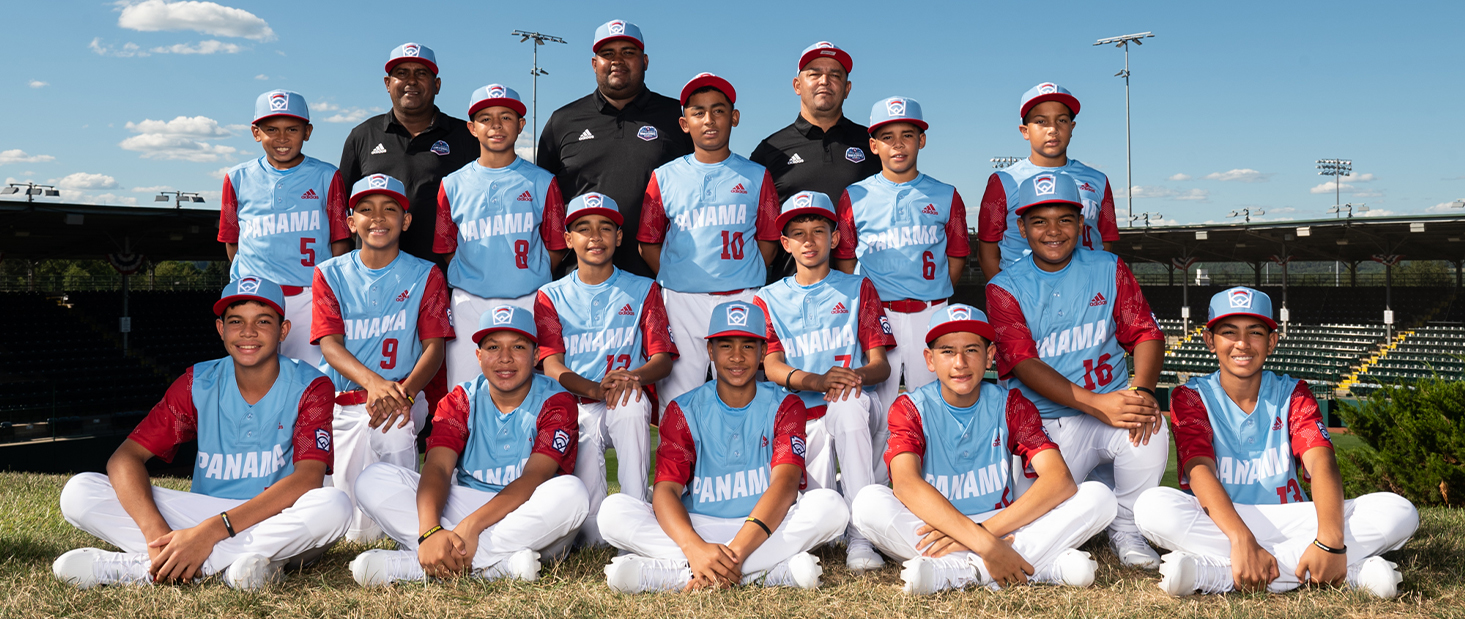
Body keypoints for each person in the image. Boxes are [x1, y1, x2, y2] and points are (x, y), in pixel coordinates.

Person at [54, 278, 349, 590]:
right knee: (80, 491)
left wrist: (209, 533)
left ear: (283, 330)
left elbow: (308, 479)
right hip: (203, 514)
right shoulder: (199, 382)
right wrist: (156, 536)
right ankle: (230, 565)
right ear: (221, 329)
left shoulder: (311, 385)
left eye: (263, 321)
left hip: (276, 515)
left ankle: (143, 569)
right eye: (236, 322)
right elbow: (125, 458)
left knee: (333, 505)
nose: (248, 332)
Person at [1135, 287, 1419, 598]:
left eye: (1255, 332)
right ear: (1209, 340)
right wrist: (1242, 538)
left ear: (1271, 341)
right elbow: (1199, 469)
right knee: (1152, 507)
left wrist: (1328, 539)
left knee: (1399, 511)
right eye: (1229, 332)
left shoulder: (1293, 392)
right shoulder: (1190, 395)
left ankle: (1213, 573)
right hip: (1224, 521)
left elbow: (1321, 461)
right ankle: (1347, 573)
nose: (1242, 343)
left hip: (1294, 518)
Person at [851, 304, 1118, 594]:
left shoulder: (1011, 404)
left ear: (990, 356)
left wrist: (985, 536)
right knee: (867, 503)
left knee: (1100, 497)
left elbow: (1060, 480)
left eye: (972, 350)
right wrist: (986, 545)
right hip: (939, 528)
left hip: (1003, 527)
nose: (960, 363)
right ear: (929, 359)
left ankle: (960, 573)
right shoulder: (910, 407)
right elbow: (905, 485)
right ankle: (1040, 567)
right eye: (947, 351)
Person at [597, 301, 848, 593]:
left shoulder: (786, 405)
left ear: (764, 352)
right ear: (710, 351)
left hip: (764, 527)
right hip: (698, 525)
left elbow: (786, 484)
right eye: (726, 346)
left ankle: (672, 576)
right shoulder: (684, 409)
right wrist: (694, 547)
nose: (737, 357)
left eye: (748, 346)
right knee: (613, 512)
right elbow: (666, 490)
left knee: (831, 506)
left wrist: (738, 552)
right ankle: (775, 572)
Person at [984, 172, 1168, 569]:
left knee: (1149, 424)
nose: (1053, 231)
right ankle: (1068, 534)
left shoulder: (1108, 267)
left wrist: (1144, 392)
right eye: (1039, 221)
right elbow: (1024, 364)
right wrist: (1097, 403)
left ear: (1081, 222)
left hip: (1106, 411)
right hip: (1043, 425)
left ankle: (1127, 529)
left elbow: (1147, 333)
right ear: (1021, 227)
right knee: (1035, 516)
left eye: (1064, 219)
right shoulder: (1004, 286)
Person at [349, 305, 589, 586]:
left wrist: (471, 527)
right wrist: (429, 531)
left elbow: (534, 478)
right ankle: (498, 566)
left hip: (527, 515)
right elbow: (437, 467)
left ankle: (412, 567)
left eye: (519, 347)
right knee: (372, 479)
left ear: (536, 355)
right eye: (493, 347)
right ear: (478, 355)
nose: (505, 359)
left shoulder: (556, 401)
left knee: (572, 494)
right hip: (468, 505)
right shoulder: (462, 398)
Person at [752, 190, 894, 571]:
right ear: (785, 243)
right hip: (802, 415)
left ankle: (863, 537)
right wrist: (818, 381)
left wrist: (851, 377)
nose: (809, 240)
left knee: (845, 403)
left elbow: (881, 365)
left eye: (818, 230)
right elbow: (771, 366)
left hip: (857, 406)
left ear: (834, 238)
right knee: (821, 520)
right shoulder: (766, 298)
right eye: (798, 233)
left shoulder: (857, 287)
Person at [833, 96, 970, 482]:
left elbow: (956, 257)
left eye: (907, 135)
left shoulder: (945, 194)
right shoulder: (855, 196)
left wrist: (935, 296)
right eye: (887, 137)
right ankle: (873, 502)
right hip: (881, 319)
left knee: (937, 409)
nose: (898, 144)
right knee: (877, 413)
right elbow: (845, 264)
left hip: (933, 312)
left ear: (921, 140)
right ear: (873, 144)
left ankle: (937, 492)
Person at [311, 174, 452, 542]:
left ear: (405, 221)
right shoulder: (330, 273)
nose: (378, 218)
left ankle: (415, 534)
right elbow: (330, 344)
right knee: (352, 530)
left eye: (390, 209)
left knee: (395, 430)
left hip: (405, 395)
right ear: (350, 221)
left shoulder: (426, 273)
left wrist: (401, 395)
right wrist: (374, 384)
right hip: (345, 403)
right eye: (366, 209)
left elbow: (434, 349)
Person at [533, 192, 677, 545]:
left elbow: (662, 358)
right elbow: (552, 365)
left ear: (619, 237)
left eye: (605, 228)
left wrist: (633, 378)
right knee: (591, 528)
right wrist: (595, 389)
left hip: (622, 398)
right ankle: (594, 533)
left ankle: (636, 513)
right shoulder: (550, 294)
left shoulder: (643, 288)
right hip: (578, 405)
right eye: (583, 229)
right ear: (568, 240)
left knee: (631, 405)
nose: (595, 237)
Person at [638, 73, 780, 408]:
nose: (709, 120)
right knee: (679, 401)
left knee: (745, 398)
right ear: (685, 123)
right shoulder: (664, 176)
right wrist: (679, 275)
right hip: (682, 300)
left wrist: (741, 274)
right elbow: (648, 242)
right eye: (699, 112)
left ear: (734, 118)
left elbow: (769, 240)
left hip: (742, 295)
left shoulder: (757, 174)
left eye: (718, 111)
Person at [537, 20, 694, 278]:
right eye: (607, 54)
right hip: (577, 282)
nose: (617, 60)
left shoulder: (676, 118)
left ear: (645, 61)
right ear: (594, 63)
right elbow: (545, 204)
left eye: (628, 52)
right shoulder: (562, 121)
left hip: (659, 281)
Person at [435, 83, 567, 388]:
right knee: (464, 390)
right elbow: (446, 247)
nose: (496, 125)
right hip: (470, 301)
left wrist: (526, 276)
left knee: (530, 390)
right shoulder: (452, 184)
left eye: (506, 117)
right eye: (485, 118)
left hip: (528, 298)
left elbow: (556, 246)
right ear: (471, 128)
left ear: (521, 125)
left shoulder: (542, 181)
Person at [218, 90, 351, 367]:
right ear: (256, 133)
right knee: (256, 377)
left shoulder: (328, 175)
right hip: (255, 299)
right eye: (271, 129)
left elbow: (340, 241)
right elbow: (233, 243)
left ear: (308, 131)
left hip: (309, 297)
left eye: (292, 129)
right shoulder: (237, 177)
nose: (282, 138)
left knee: (314, 379)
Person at [750, 41, 881, 283]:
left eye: (835, 75)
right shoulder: (770, 151)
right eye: (815, 74)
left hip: (865, 295)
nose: (824, 81)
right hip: (791, 297)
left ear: (847, 87)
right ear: (797, 85)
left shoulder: (873, 145)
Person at [340, 42, 477, 265]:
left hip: (445, 274)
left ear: (437, 84)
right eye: (401, 73)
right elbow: (341, 213)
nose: (411, 81)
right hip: (374, 274)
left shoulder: (466, 136)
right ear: (387, 83)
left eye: (421, 73)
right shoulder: (362, 135)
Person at [977, 82, 1118, 280]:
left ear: (1072, 127)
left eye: (1061, 120)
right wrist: (1007, 297)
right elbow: (987, 253)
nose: (1052, 129)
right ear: (1025, 131)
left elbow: (1105, 242)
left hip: (1085, 287)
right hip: (1024, 289)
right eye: (1041, 121)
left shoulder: (1098, 180)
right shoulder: (1002, 181)